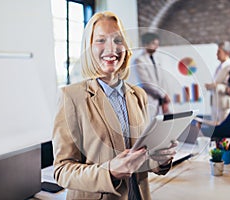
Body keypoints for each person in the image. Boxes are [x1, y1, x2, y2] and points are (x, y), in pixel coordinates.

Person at [52, 11, 177, 200]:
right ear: (88, 47)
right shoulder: (72, 97)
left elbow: (140, 157)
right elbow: (62, 170)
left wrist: (160, 160)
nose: (111, 48)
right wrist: (109, 172)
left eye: (118, 40)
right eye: (101, 40)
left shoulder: (138, 95)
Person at [133, 32, 170, 120]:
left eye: (157, 44)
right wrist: (163, 95)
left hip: (160, 99)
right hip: (149, 98)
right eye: (154, 44)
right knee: (150, 125)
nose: (156, 47)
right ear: (146, 44)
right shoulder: (139, 60)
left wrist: (164, 99)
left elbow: (162, 80)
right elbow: (146, 83)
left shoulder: (157, 59)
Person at [205, 41, 230, 125]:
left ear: (226, 53)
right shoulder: (218, 67)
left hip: (224, 106)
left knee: (223, 130)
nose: (216, 54)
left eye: (219, 51)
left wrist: (214, 86)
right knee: (215, 130)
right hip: (215, 105)